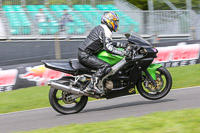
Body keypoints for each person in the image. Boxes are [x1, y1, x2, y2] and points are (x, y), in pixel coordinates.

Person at [78, 11, 132, 94]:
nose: (116, 24)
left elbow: (108, 43)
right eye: (115, 22)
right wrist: (124, 53)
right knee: (106, 66)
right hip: (86, 55)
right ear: (109, 21)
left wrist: (123, 45)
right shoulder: (106, 31)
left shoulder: (102, 28)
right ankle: (91, 87)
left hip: (85, 53)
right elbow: (109, 48)